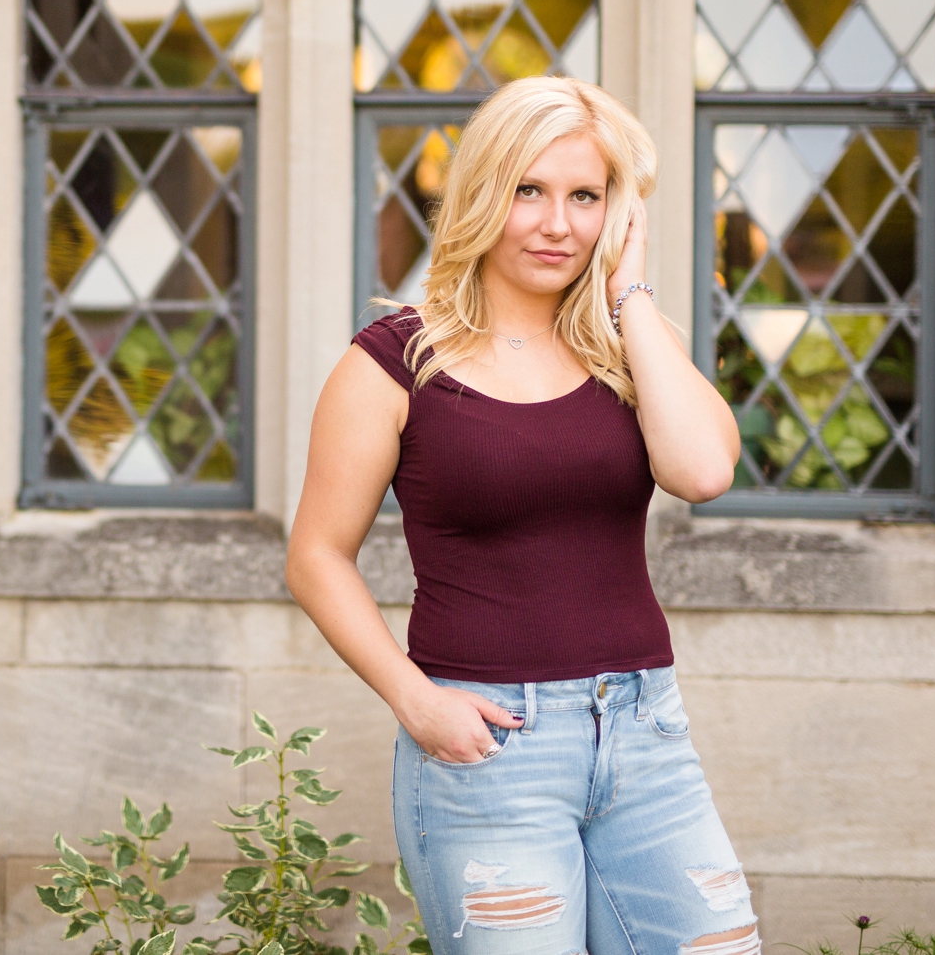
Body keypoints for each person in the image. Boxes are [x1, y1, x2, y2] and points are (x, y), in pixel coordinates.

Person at [285, 77, 758, 955]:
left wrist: (633, 293)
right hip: (493, 749)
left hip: (646, 733)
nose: (557, 223)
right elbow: (316, 555)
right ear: (482, 193)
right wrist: (416, 700)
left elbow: (702, 470)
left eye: (585, 196)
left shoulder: (633, 351)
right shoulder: (396, 361)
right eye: (529, 190)